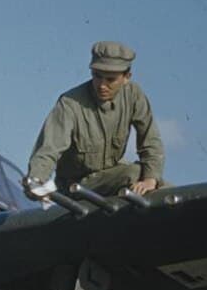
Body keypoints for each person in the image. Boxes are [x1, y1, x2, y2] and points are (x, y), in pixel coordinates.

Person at [24, 41, 164, 199]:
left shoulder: (134, 95)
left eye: (110, 79)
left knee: (164, 189)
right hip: (76, 186)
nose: (102, 85)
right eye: (97, 76)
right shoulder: (70, 104)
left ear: (126, 78)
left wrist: (150, 180)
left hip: (113, 176)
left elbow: (151, 141)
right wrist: (36, 180)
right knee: (134, 172)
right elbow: (48, 149)